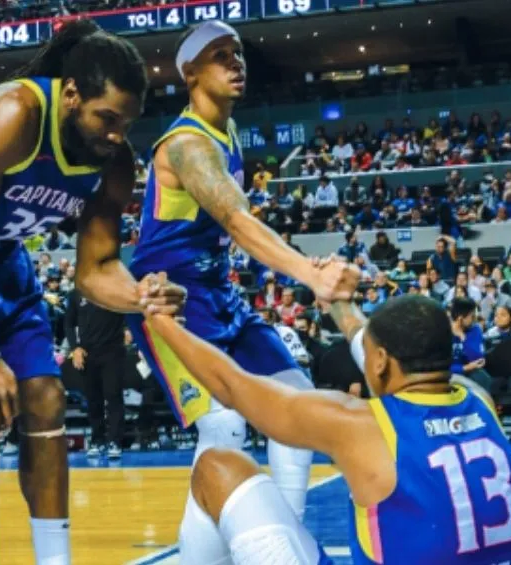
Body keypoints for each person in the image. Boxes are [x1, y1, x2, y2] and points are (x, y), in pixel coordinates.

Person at [0, 21, 185, 565]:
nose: (117, 134)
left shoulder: (114, 163)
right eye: (107, 118)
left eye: (127, 122)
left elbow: (95, 271)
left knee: (45, 397)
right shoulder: (13, 115)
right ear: (71, 95)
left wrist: (142, 294)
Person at [124, 22, 352, 555]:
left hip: (217, 293)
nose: (235, 63)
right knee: (224, 430)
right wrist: (310, 273)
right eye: (219, 56)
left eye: (238, 53)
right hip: (170, 302)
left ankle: (288, 539)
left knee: (297, 403)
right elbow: (237, 222)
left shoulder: (228, 132)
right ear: (190, 74)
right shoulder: (186, 144)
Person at [135, 268, 511, 564]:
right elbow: (369, 342)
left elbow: (232, 385)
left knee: (216, 467)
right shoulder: (480, 400)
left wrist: (162, 322)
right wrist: (340, 303)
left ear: (381, 360)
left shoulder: (362, 426)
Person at [63, 285, 127, 459]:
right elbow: (68, 323)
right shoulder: (77, 293)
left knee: (113, 396)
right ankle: (98, 440)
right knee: (93, 400)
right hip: (87, 352)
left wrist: (128, 330)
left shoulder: (114, 288)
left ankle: (115, 442)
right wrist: (75, 348)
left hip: (113, 351)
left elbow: (131, 311)